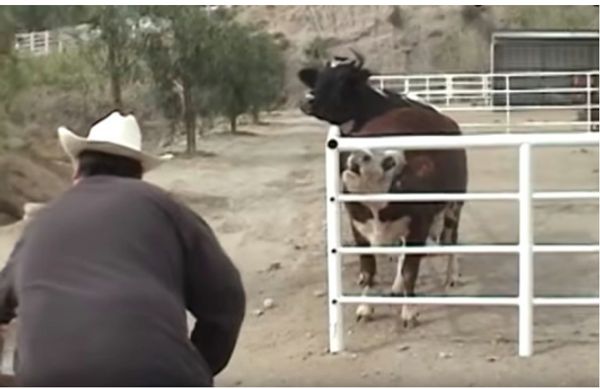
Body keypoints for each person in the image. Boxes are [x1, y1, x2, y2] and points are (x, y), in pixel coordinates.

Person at [0, 111, 246, 386]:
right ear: (138, 173)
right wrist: (198, 365)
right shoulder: (166, 208)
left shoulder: (41, 221)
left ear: (77, 169)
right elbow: (227, 299)